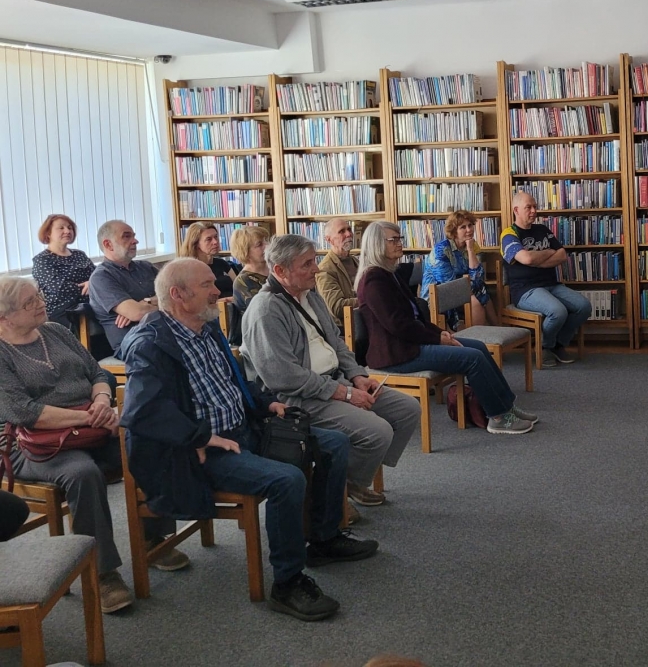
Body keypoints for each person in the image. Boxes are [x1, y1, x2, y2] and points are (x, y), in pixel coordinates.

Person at [119, 258, 377, 622]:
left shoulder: (207, 329)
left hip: (244, 430)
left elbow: (233, 383)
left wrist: (265, 403)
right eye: (207, 285)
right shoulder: (149, 345)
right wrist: (200, 437)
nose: (218, 291)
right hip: (201, 451)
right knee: (286, 480)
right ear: (178, 294)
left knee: (333, 444)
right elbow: (142, 411)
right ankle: (287, 582)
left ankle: (324, 539)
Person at [0, 275, 185, 614]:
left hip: (89, 424)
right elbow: (25, 413)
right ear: (4, 317)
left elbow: (99, 374)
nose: (41, 303)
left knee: (147, 444)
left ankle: (152, 537)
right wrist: (90, 417)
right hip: (32, 445)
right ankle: (102, 574)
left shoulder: (55, 331)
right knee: (83, 474)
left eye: (38, 295)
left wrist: (102, 402)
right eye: (30, 303)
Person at [241, 235, 421, 508]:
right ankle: (334, 490)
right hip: (297, 398)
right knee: (378, 432)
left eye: (314, 261)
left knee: (408, 410)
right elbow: (283, 377)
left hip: (335, 381)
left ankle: (349, 479)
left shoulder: (310, 294)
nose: (316, 269)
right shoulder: (265, 310)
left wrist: (358, 376)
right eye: (307, 264)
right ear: (280, 270)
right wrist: (344, 394)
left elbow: (336, 342)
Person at [357, 221, 537, 436]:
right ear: (376, 244)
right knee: (472, 358)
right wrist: (436, 339)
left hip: (410, 344)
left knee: (478, 347)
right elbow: (398, 325)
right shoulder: (373, 280)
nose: (399, 243)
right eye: (393, 239)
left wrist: (439, 333)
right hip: (397, 354)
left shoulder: (390, 274)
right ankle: (498, 417)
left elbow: (415, 315)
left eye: (399, 238)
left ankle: (507, 406)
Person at [501, 191, 591, 369]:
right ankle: (544, 347)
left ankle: (557, 344)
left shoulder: (542, 230)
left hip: (551, 285)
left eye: (535, 206)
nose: (534, 211)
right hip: (525, 290)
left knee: (584, 306)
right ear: (516, 210)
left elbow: (562, 255)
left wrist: (537, 261)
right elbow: (526, 258)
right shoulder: (509, 234)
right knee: (558, 311)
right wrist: (548, 253)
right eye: (528, 207)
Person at [87, 220, 159, 357]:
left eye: (133, 236)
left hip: (162, 332)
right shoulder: (101, 277)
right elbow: (137, 313)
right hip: (135, 343)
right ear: (108, 244)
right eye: (126, 236)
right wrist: (162, 303)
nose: (135, 241)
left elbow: (178, 296)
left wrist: (147, 302)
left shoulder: (146, 267)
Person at [421, 210, 499, 329]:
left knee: (481, 289)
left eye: (470, 225)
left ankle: (496, 328)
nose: (469, 230)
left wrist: (470, 250)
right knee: (476, 298)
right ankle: (476, 336)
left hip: (463, 287)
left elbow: (478, 277)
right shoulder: (441, 250)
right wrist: (471, 290)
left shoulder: (471, 245)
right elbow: (449, 284)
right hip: (437, 295)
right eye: (463, 227)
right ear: (454, 231)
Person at [31, 213, 96, 330]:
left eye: (70, 228)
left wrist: (93, 283)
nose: (67, 231)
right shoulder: (42, 260)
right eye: (61, 228)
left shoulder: (79, 254)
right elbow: (60, 289)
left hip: (92, 303)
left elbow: (98, 276)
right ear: (48, 233)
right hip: (64, 310)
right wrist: (93, 286)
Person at [180, 221, 239, 300]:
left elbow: (239, 289)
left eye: (216, 237)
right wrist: (227, 301)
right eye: (209, 239)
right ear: (196, 244)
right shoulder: (190, 269)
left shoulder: (222, 263)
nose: (215, 242)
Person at [315, 217, 359, 320]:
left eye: (349, 229)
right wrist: (369, 299)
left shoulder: (357, 262)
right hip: (344, 327)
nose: (348, 234)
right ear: (328, 239)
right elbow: (337, 307)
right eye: (341, 231)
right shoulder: (325, 269)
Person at [231, 225, 272, 313]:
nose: (268, 246)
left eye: (266, 240)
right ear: (245, 252)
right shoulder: (243, 281)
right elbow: (265, 310)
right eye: (259, 244)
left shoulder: (275, 269)